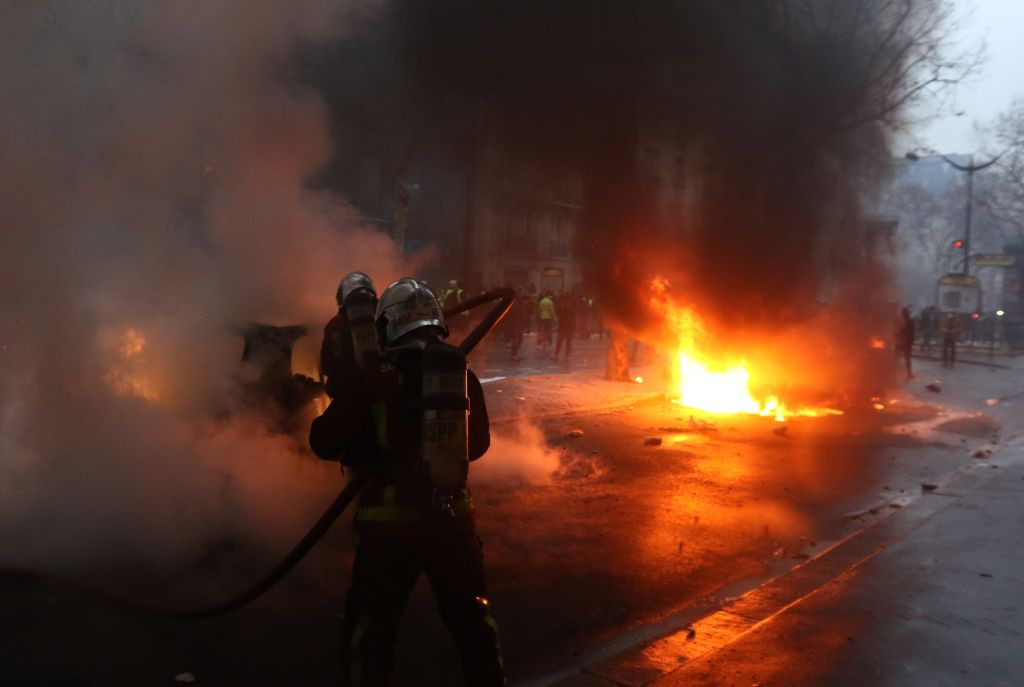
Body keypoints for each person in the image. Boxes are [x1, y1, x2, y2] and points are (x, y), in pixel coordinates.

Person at [314, 278, 505, 687]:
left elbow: (323, 441)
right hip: (454, 523)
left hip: (389, 531)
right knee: (474, 626)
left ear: (388, 326)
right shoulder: (458, 371)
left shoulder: (376, 379)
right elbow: (479, 445)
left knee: (371, 633)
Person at [552, 291, 577, 361]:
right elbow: (557, 312)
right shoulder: (561, 307)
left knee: (568, 342)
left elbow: (573, 315)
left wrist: (573, 327)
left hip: (569, 327)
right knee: (559, 341)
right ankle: (556, 354)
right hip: (562, 326)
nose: (566, 302)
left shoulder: (572, 307)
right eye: (565, 300)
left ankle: (567, 356)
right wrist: (562, 307)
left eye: (567, 300)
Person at [894, 306, 915, 379]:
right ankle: (909, 373)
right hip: (905, 343)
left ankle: (895, 373)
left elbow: (895, 331)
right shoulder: (910, 321)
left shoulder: (900, 320)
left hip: (901, 342)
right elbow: (912, 332)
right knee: (907, 359)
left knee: (897, 358)